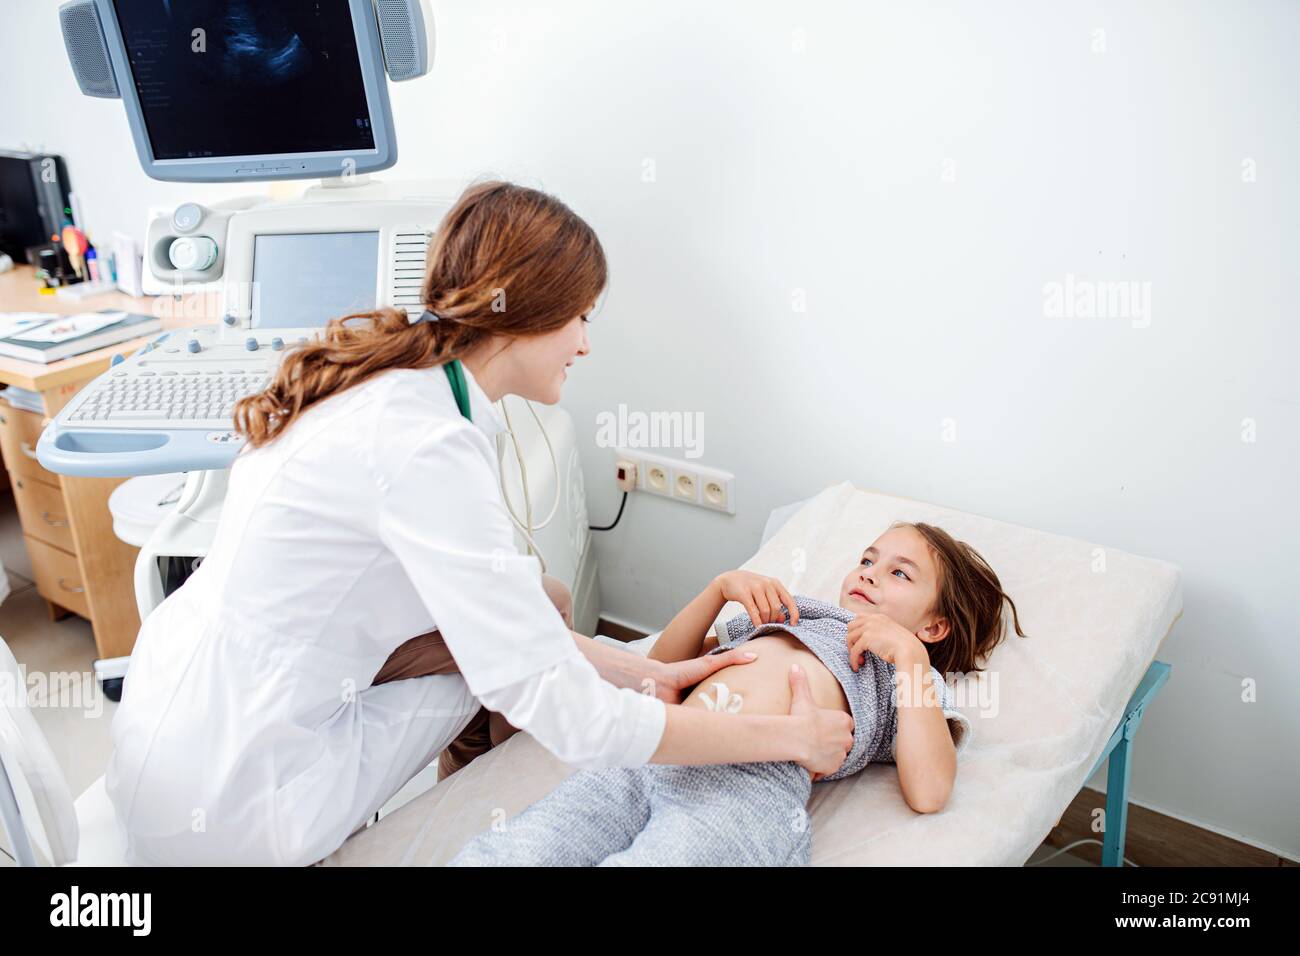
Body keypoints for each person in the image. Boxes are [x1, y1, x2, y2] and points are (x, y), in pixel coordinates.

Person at [105, 180, 854, 866]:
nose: (587, 344)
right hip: (232, 789)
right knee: (521, 661)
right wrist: (786, 735)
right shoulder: (424, 443)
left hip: (196, 700)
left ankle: (470, 789)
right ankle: (469, 817)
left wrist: (652, 671)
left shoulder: (417, 385)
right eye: (581, 317)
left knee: (546, 601)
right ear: (527, 312)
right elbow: (573, 718)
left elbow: (517, 618)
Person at [450, 522, 1026, 866]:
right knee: (527, 846)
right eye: (868, 559)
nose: (870, 573)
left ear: (934, 626)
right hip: (656, 748)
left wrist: (909, 658)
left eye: (901, 574)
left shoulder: (903, 678)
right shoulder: (800, 612)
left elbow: (929, 790)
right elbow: (662, 669)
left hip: (747, 785)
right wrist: (718, 589)